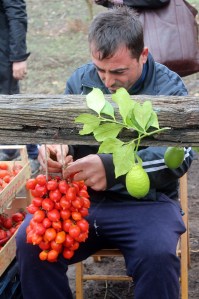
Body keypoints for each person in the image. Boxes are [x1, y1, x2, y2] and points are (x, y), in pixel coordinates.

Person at [16, 7, 193, 299]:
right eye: (100, 70)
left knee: (158, 255)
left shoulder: (168, 88)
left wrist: (111, 168)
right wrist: (58, 148)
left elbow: (180, 157)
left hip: (147, 204)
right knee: (29, 243)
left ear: (143, 54)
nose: (108, 81)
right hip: (84, 202)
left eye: (118, 71)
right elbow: (62, 132)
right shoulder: (80, 82)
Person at [0, 0, 39, 175]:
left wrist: (18, 57)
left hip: (3, 57)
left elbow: (16, 14)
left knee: (9, 107)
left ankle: (32, 154)